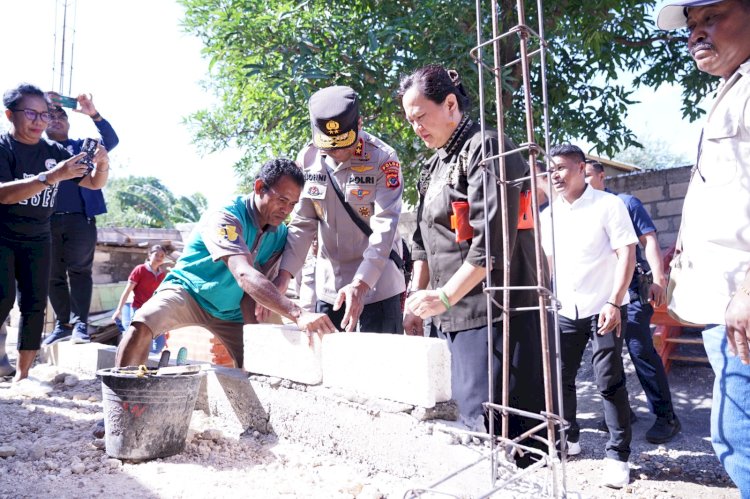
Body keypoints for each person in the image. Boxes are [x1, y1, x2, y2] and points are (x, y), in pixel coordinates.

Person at [398, 65, 545, 453]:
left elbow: (491, 244)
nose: (416, 128)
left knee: (506, 433)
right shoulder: (434, 164)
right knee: (473, 422)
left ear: (449, 105)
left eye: (420, 117)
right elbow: (421, 240)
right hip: (453, 314)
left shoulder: (486, 148)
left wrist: (444, 295)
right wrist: (418, 297)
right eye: (410, 120)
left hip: (497, 312)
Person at [115, 158, 337, 368]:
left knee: (263, 363)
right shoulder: (225, 217)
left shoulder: (279, 235)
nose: (286, 210)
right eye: (281, 200)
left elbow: (253, 293)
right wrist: (298, 314)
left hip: (232, 311)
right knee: (142, 322)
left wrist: (255, 338)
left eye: (292, 204)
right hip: (189, 293)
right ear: (260, 187)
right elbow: (243, 274)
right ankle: (123, 396)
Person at [657, 0, 750, 493]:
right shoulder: (732, 89)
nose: (697, 34)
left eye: (712, 17)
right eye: (692, 25)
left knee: (738, 439)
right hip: (724, 307)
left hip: (743, 308)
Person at [540, 144, 637, 488]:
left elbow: (626, 252)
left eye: (562, 168)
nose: (554, 175)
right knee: (560, 376)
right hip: (565, 308)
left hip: (604, 307)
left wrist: (614, 300)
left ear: (582, 169)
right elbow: (548, 264)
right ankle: (568, 438)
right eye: (550, 170)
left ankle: (617, 455)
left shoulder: (608, 205)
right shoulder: (547, 215)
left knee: (608, 380)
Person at [273, 86, 406, 333]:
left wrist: (361, 283)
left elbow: (385, 225)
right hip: (329, 292)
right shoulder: (309, 159)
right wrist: (283, 278)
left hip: (378, 289)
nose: (337, 152)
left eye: (343, 144)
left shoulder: (383, 159)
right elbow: (302, 224)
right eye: (329, 146)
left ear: (359, 124)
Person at [0, 83, 109, 382]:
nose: (39, 121)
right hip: (3, 235)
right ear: (10, 115)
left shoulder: (54, 150)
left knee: (35, 305)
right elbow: (4, 195)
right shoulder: (3, 148)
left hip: (38, 237)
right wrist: (52, 176)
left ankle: (22, 376)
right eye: (31, 114)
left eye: (44, 115)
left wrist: (103, 165)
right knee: (3, 299)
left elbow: (91, 184)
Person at [584, 160, 681, 444]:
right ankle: (623, 412)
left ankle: (666, 417)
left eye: (588, 175)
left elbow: (649, 240)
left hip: (634, 292)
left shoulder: (625, 202)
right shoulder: (585, 210)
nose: (585, 181)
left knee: (641, 352)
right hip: (602, 295)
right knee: (608, 355)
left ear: (602, 176)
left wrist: (658, 279)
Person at [42, 93, 119, 345]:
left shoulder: (80, 147)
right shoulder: (37, 150)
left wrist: (93, 113)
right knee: (52, 274)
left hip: (80, 221)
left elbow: (111, 140)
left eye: (60, 115)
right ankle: (62, 325)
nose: (56, 119)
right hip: (46, 220)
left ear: (68, 122)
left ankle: (80, 326)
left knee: (80, 272)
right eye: (49, 115)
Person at [111, 244, 168, 353]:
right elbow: (127, 291)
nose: (159, 258)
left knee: (160, 343)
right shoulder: (140, 269)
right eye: (157, 255)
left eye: (162, 256)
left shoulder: (162, 275)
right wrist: (119, 310)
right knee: (140, 340)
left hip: (153, 311)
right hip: (138, 309)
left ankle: (149, 361)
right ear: (149, 254)